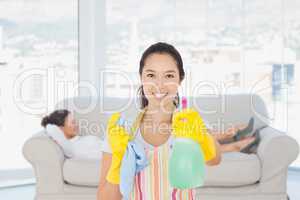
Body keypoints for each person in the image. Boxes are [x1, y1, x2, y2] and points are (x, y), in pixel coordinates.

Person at [97, 42, 224, 200]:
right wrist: (117, 161)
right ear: (141, 77)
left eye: (169, 76)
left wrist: (201, 136)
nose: (159, 84)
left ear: (180, 79)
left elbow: (215, 160)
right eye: (151, 75)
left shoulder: (190, 123)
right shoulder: (122, 131)